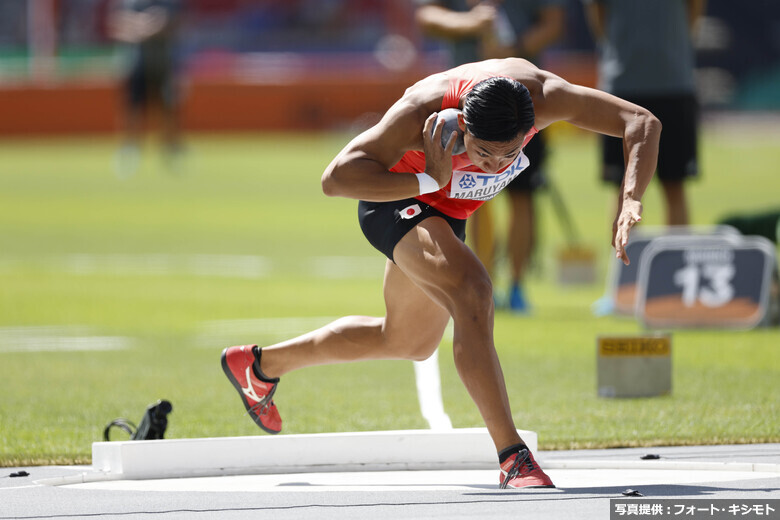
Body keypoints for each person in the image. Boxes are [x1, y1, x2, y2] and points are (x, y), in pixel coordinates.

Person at [221, 58, 660, 489]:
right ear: (463, 126)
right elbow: (336, 178)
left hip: (445, 212)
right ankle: (514, 458)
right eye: (483, 152)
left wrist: (632, 199)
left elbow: (642, 123)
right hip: (397, 197)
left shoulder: (544, 96)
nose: (496, 164)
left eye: (511, 152)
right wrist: (428, 178)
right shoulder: (422, 113)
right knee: (474, 292)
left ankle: (259, 366)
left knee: (407, 341)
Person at [415, 0, 565, 313]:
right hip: (464, 102)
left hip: (521, 104)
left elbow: (553, 22)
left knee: (523, 197)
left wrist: (515, 45)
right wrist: (470, 23)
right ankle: (486, 284)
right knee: (471, 199)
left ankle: (518, 287)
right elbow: (427, 15)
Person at [583, 0, 705, 226]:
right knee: (625, 188)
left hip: (672, 85)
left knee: (674, 185)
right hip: (624, 88)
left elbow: (695, 8)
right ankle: (626, 260)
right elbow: (597, 13)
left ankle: (676, 260)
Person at [108, 0, 184, 177]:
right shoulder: (130, 3)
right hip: (135, 63)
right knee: (132, 108)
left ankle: (170, 149)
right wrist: (142, 25)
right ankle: (130, 150)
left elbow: (173, 24)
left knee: (168, 108)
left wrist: (149, 27)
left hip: (162, 63)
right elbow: (117, 25)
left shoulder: (167, 2)